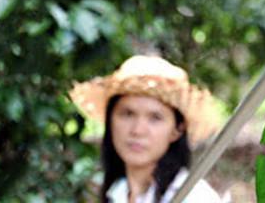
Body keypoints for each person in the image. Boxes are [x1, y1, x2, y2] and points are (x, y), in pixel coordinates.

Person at [69, 55, 224, 203]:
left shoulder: (195, 197)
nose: (138, 130)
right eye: (128, 114)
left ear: (177, 129)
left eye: (155, 118)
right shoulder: (118, 192)